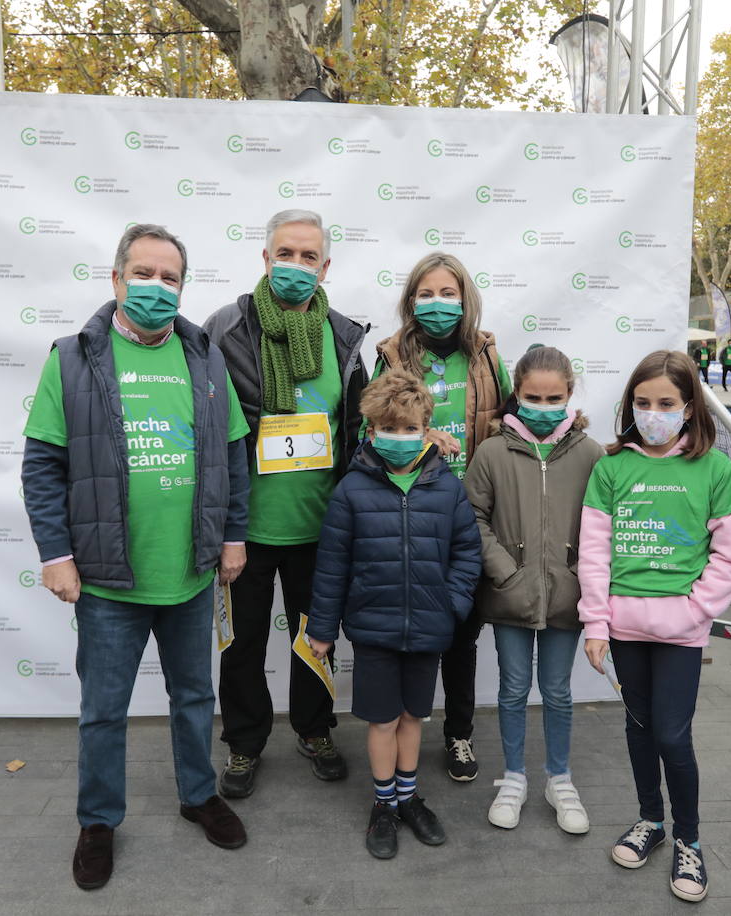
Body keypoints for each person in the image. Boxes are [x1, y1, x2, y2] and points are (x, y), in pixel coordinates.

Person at [21, 224, 252, 891]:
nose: (158, 287)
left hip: (187, 575)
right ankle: (98, 822)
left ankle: (199, 795)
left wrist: (233, 534)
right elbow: (43, 464)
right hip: (106, 581)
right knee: (102, 709)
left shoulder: (204, 356)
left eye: (170, 277)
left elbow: (232, 454)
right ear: (117, 278)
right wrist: (56, 553)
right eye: (144, 273)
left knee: (193, 696)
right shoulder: (71, 358)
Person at [204, 209, 367, 795]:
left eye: (308, 257)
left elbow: (358, 427)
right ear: (265, 258)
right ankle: (244, 744)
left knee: (316, 634)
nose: (295, 266)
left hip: (321, 526)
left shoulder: (345, 336)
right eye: (284, 254)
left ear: (325, 268)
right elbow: (207, 431)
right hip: (244, 527)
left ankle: (315, 728)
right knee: (242, 641)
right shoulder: (224, 329)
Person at [578, 350, 731, 903]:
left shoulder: (718, 469)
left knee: (673, 735)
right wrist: (596, 624)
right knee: (639, 729)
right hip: (623, 631)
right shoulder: (611, 467)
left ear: (690, 406)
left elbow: (728, 558)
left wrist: (695, 612)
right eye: (643, 403)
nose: (653, 413)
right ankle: (651, 820)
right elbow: (595, 554)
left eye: (666, 403)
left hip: (681, 631)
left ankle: (689, 840)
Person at [306, 369, 482, 860]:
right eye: (389, 428)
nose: (399, 438)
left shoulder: (447, 489)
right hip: (374, 630)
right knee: (382, 720)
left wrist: (451, 605)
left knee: (413, 716)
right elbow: (332, 565)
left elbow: (468, 553)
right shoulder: (351, 491)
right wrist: (321, 628)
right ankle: (383, 803)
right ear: (371, 429)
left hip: (429, 627)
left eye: (409, 429)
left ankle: (408, 798)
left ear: (426, 429)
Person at [371, 251, 511, 781]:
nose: (437, 303)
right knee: (409, 630)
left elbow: (511, 419)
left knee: (462, 634)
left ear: (465, 299)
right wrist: (418, 434)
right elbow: (371, 426)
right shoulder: (389, 356)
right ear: (411, 301)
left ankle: (458, 736)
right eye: (425, 294)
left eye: (447, 293)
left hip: (471, 515)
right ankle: (399, 734)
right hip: (410, 511)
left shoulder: (485, 353)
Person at [464, 345, 603, 833]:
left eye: (554, 397)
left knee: (559, 691)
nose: (543, 406)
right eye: (533, 397)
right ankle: (515, 776)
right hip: (510, 594)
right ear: (516, 394)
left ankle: (559, 778)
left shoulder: (590, 453)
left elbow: (601, 523)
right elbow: (473, 517)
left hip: (568, 594)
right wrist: (505, 570)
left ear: (569, 395)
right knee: (513, 689)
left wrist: (578, 571)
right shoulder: (492, 451)